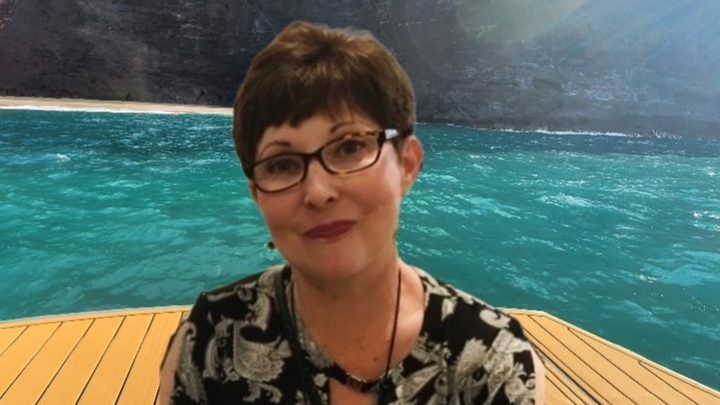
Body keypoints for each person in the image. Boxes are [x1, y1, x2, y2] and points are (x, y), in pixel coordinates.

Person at [159, 21, 545, 405]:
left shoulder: (490, 360)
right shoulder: (212, 338)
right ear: (257, 195)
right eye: (282, 165)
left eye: (349, 147)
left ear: (407, 164)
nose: (318, 192)